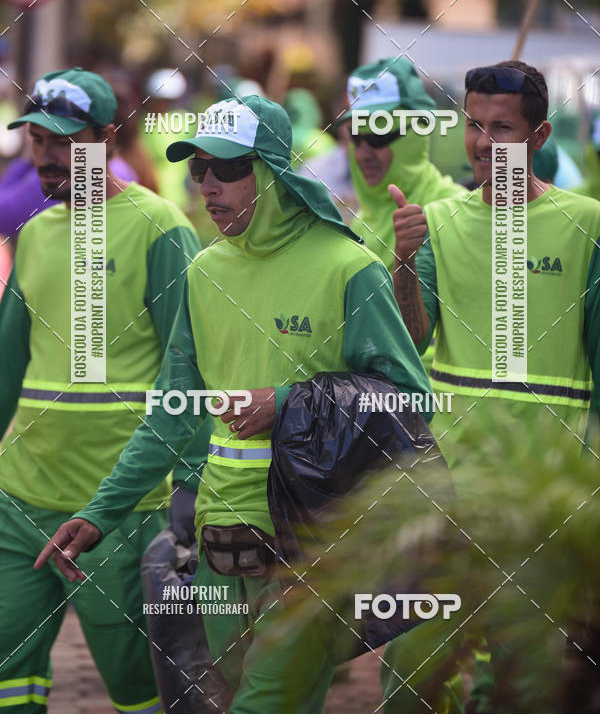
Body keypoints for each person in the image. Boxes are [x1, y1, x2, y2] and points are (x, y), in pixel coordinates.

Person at [36, 94, 433, 713]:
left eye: (226, 169)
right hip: (220, 540)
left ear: (271, 170)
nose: (208, 186)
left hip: (312, 543)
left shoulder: (350, 268)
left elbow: (409, 400)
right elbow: (171, 413)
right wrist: (98, 515)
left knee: (260, 704)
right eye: (197, 170)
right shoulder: (203, 272)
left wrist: (287, 402)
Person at [384, 60, 600, 712]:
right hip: (448, 493)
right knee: (409, 678)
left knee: (523, 688)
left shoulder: (587, 225)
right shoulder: (440, 223)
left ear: (538, 138)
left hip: (545, 502)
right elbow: (412, 336)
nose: (482, 143)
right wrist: (401, 262)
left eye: (500, 128)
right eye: (474, 126)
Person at [0, 68, 206, 714]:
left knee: (137, 682)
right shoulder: (33, 233)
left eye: (66, 140)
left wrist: (190, 490)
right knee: (9, 665)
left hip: (121, 504)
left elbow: (190, 370)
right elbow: (7, 366)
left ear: (107, 137)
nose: (49, 155)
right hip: (21, 497)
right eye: (37, 138)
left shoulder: (160, 227)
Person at [341, 56, 463, 272]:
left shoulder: (454, 212)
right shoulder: (359, 224)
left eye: (378, 138)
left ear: (414, 138)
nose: (362, 155)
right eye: (356, 139)